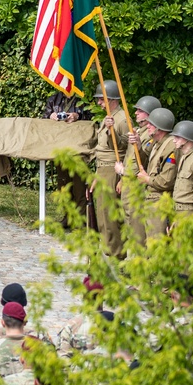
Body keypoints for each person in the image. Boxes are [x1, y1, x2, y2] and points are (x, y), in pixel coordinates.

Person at [123, 106, 178, 244]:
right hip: (151, 197)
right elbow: (145, 161)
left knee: (157, 242)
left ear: (159, 128)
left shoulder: (170, 146)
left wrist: (147, 179)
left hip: (160, 200)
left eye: (151, 124)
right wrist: (139, 146)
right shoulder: (156, 143)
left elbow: (166, 180)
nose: (147, 126)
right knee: (149, 239)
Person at [89, 81, 127, 257]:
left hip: (112, 171)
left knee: (111, 216)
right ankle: (108, 250)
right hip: (103, 169)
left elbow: (125, 149)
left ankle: (116, 254)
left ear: (111, 99)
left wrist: (121, 178)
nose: (99, 103)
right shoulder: (110, 117)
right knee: (103, 214)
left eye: (101, 99)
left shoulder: (121, 119)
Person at [42, 91, 88, 224]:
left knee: (79, 186)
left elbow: (93, 121)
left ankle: (81, 219)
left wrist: (78, 115)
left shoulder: (83, 99)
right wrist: (50, 116)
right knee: (63, 185)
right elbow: (43, 123)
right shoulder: (53, 99)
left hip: (78, 149)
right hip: (60, 149)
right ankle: (68, 217)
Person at [172, 120, 193, 216]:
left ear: (187, 139)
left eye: (177, 137)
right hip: (178, 210)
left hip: (189, 211)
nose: (174, 140)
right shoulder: (183, 157)